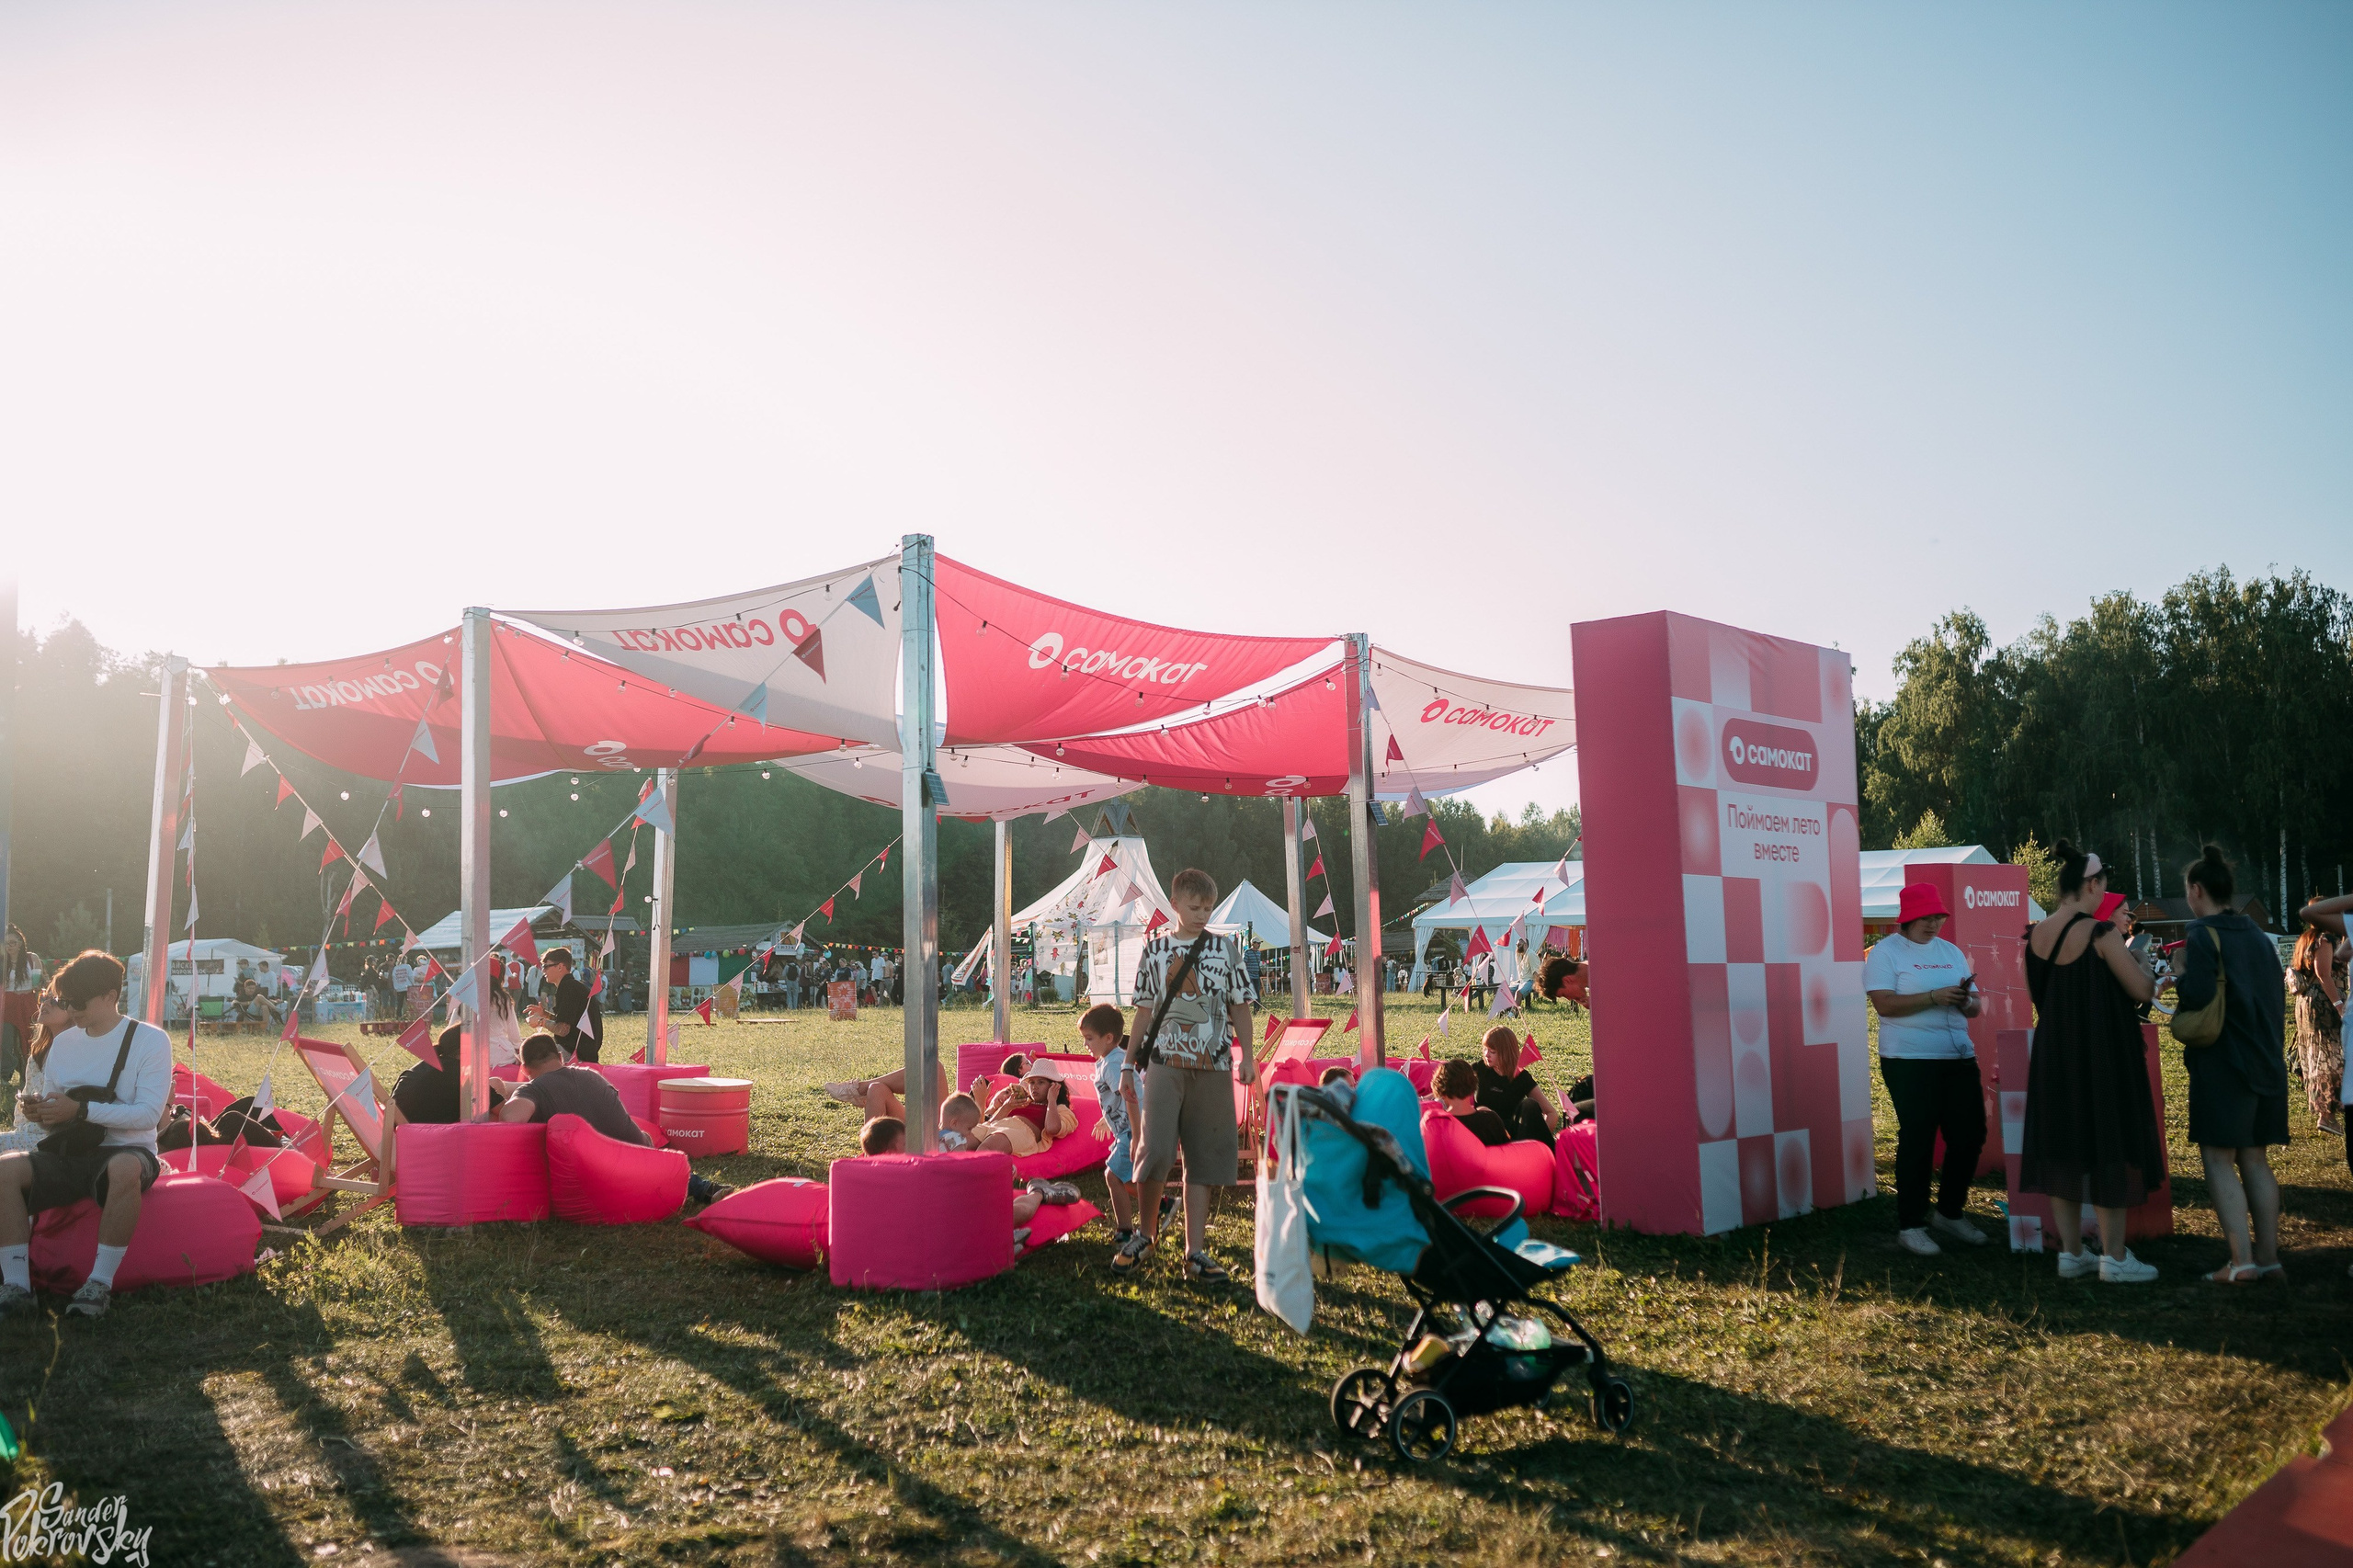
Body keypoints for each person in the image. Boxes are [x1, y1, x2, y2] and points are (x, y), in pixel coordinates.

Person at [2019, 842, 2165, 1284]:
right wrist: (2140, 959)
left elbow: (2038, 998)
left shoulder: (2034, 937)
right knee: (2109, 1147)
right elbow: (2143, 990)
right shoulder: (2102, 933)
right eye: (2104, 882)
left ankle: (2071, 1253)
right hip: (2101, 1054)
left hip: (2053, 1053)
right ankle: (2115, 1258)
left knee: (2063, 1148)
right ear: (2091, 884)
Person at [0, 951, 172, 1317]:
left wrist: (80, 1110)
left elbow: (148, 1116)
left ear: (110, 996)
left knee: (124, 1167)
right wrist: (41, 1112)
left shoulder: (150, 1041)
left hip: (127, 1151)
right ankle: (16, 1284)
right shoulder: (64, 1044)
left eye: (77, 1002)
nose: (70, 1010)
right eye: (64, 1001)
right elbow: (54, 1117)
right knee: (5, 1170)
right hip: (69, 1151)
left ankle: (99, 1283)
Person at [1116, 866, 1256, 1281]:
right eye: (1194, 907)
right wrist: (1126, 1063)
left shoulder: (1226, 949)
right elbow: (1142, 1010)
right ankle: (1145, 1234)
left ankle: (1196, 1251)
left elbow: (1240, 1005)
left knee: (1204, 1156)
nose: (1202, 915)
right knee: (1155, 1150)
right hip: (1163, 1064)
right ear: (1174, 904)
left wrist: (1247, 1055)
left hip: (1213, 1065)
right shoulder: (1155, 950)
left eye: (1208, 907)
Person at [2170, 845, 2289, 1282]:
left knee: (2219, 1159)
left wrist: (2180, 972)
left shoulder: (2202, 934)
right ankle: (2270, 1258)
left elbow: (2199, 996)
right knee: (2255, 1161)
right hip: (2266, 1061)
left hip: (2224, 1063)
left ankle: (2240, 1262)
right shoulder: (2257, 934)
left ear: (2196, 890)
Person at [1864, 882, 1987, 1256]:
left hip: (1958, 1056)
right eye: (1926, 918)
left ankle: (1949, 1213)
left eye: (1938, 917)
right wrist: (1934, 997)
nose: (1933, 924)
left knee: (1970, 1135)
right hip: (1909, 1060)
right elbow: (1884, 1005)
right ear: (1907, 918)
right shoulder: (1886, 953)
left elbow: (1976, 1008)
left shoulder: (1951, 952)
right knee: (1918, 1138)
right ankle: (1911, 1224)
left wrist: (1966, 1001)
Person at [484, 1032, 732, 1203]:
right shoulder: (591, 1075)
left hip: (602, 1171)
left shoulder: (532, 1090)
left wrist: (505, 1096)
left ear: (525, 1070)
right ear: (560, 1058)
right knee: (653, 1153)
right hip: (641, 1153)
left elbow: (511, 1119)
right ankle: (704, 1188)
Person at [1079, 1003, 1142, 1244]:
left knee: (1112, 1176)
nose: (1085, 1044)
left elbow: (1131, 1095)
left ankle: (1125, 1229)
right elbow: (1117, 1099)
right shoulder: (1109, 1060)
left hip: (1133, 1129)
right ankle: (1160, 1205)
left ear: (1108, 1038)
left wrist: (1136, 1135)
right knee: (1123, 1178)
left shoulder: (1114, 1064)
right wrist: (1107, 1120)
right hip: (1127, 1129)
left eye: (1089, 1038)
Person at [2289, 913, 2343, 1139]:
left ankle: (2326, 1113)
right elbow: (2324, 975)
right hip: (2323, 1002)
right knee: (2331, 1056)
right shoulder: (2325, 939)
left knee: (2316, 1056)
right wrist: (2339, 1004)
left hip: (2305, 1003)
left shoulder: (2305, 939)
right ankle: (2327, 1115)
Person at [0, 992, 75, 1154]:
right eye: (44, 997)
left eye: (55, 1000)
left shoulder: (76, 1054)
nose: (46, 1003)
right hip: (26, 1134)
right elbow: (20, 1116)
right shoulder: (38, 1055)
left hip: (53, 1140)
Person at [972, 1061, 1078, 1156]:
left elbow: (1052, 1129)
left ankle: (968, 1176)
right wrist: (1007, 1107)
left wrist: (1051, 1100)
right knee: (962, 1140)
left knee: (985, 1149)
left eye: (1041, 1082)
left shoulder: (1059, 1109)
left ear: (1054, 1086)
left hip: (1021, 1132)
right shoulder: (1024, 1101)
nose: (1034, 1087)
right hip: (999, 1126)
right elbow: (991, 1123)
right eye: (1032, 1082)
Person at [1472, 1025, 1559, 1143]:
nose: (1487, 1054)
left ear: (1505, 1052)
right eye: (1485, 1049)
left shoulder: (1521, 1077)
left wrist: (1538, 1140)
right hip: (1484, 1131)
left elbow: (1552, 1113)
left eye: (1492, 1051)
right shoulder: (1480, 1069)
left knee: (1529, 1104)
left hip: (1512, 1134)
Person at [527, 948, 603, 1063]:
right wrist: (546, 1014)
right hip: (583, 1051)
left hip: (576, 1054)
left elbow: (563, 1030)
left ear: (560, 967)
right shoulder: (571, 986)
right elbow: (568, 1021)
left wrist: (540, 1021)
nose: (543, 971)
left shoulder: (568, 988)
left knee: (527, 1054)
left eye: (546, 966)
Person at [1434, 1059, 1512, 1146]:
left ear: (1441, 1090)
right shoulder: (1491, 1120)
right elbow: (1506, 1151)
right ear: (1473, 1084)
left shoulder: (1437, 1125)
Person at [390, 954, 415, 1021]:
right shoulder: (407, 966)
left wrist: (395, 988)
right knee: (409, 1003)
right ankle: (411, 1016)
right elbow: (410, 976)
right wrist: (413, 984)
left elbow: (394, 978)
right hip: (408, 988)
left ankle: (398, 1017)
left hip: (399, 988)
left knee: (399, 1004)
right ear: (405, 960)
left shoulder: (396, 968)